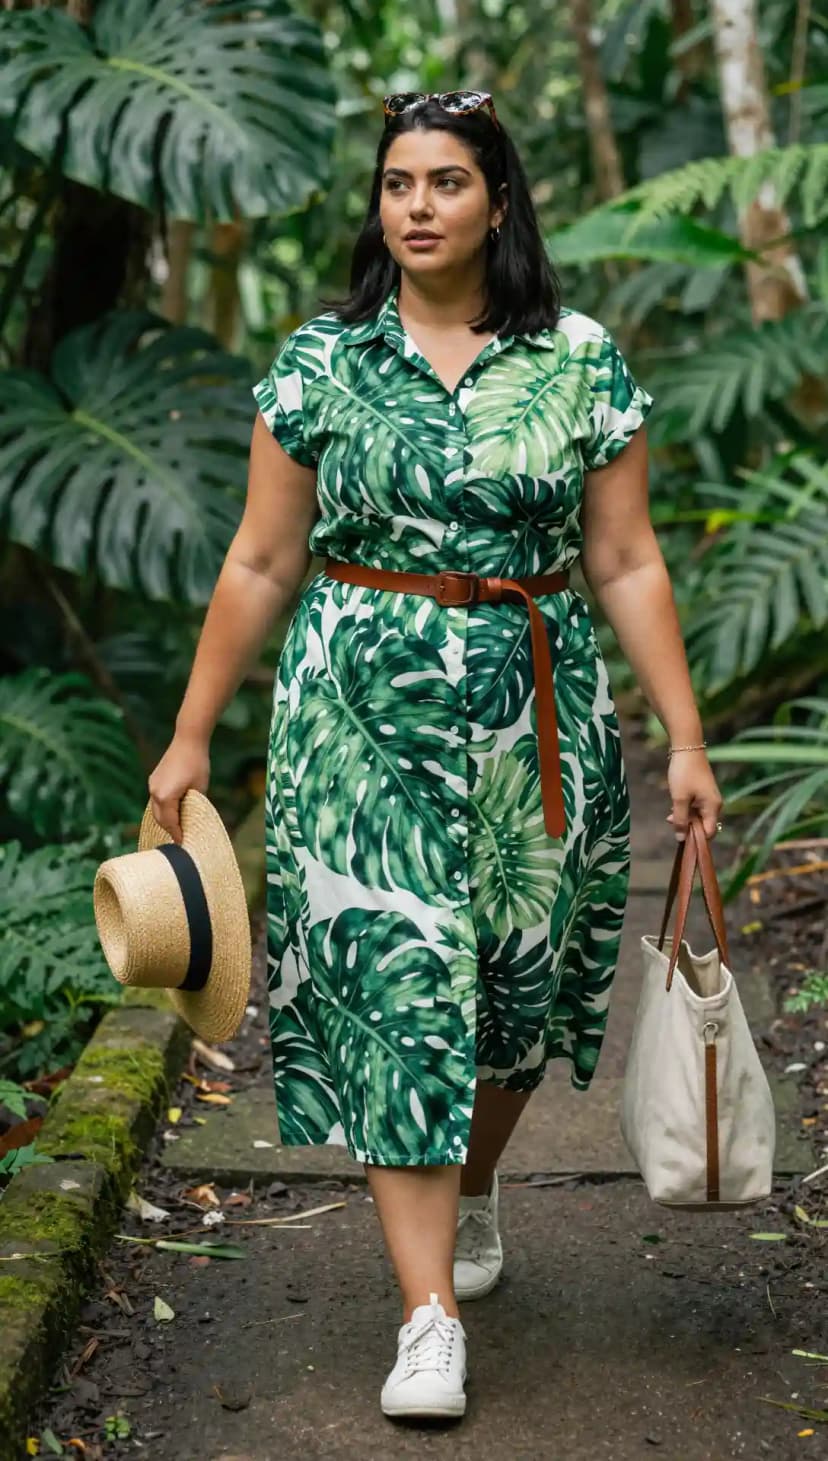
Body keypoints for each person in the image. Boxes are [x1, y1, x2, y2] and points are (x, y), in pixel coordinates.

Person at [148, 89, 724, 1424]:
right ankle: (427, 1317)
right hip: (360, 714)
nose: (417, 205)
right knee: (396, 994)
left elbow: (626, 559)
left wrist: (684, 739)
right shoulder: (321, 364)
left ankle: (472, 1180)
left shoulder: (580, 360)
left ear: (499, 203)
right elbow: (261, 556)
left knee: (518, 994)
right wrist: (187, 737)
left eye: (447, 182)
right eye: (399, 182)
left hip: (536, 708)